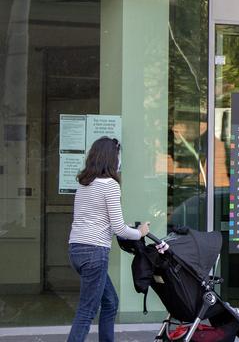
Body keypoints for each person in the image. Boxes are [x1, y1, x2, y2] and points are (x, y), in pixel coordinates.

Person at [67, 137, 151, 342]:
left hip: (76, 250)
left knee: (111, 302)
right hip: (95, 253)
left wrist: (126, 228)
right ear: (112, 158)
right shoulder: (110, 185)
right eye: (118, 156)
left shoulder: (84, 183)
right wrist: (140, 232)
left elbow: (95, 219)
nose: (119, 160)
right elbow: (119, 229)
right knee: (87, 312)